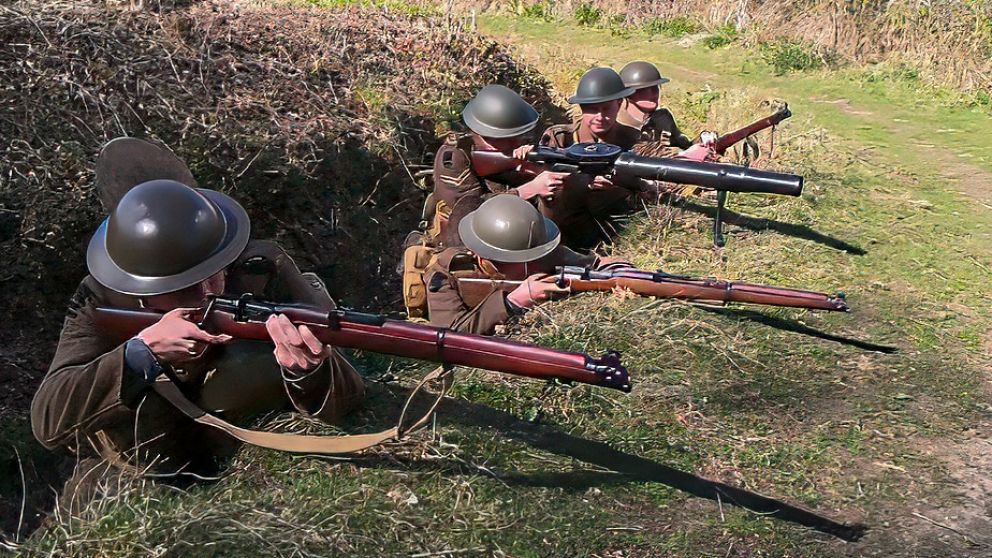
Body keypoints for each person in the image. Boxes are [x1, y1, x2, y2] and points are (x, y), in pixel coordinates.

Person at [30, 179, 366, 478]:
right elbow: (48, 421)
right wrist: (141, 353)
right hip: (148, 469)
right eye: (186, 285)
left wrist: (307, 372)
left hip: (245, 451)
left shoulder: (261, 268)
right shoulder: (101, 301)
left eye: (214, 273)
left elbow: (351, 392)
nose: (207, 292)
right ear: (144, 288)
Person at [424, 194, 624, 336]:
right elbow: (448, 336)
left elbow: (600, 265)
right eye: (514, 260)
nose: (532, 263)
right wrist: (512, 303)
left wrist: (622, 273)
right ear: (481, 255)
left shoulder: (543, 250)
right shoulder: (446, 272)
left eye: (533, 256)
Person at [427, 84, 568, 227]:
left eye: (518, 136)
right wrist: (528, 189)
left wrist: (535, 171)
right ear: (481, 134)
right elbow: (465, 214)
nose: (515, 143)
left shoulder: (519, 144)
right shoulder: (454, 157)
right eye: (504, 139)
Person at [617, 61, 695, 150]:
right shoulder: (615, 123)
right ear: (628, 93)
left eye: (655, 87)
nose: (653, 93)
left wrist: (700, 142)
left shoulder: (663, 118)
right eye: (644, 90)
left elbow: (684, 144)